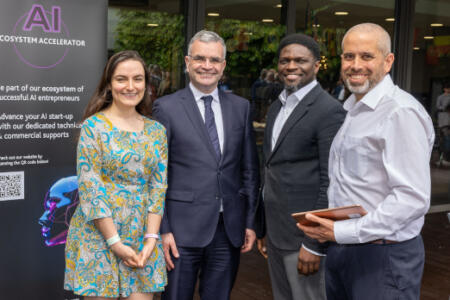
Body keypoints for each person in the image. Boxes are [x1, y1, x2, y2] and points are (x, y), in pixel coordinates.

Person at [297, 23, 435, 300]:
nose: (355, 64)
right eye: (349, 56)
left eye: (366, 56)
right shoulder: (353, 109)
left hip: (383, 257)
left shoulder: (400, 112)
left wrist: (344, 231)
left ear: (388, 61)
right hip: (346, 248)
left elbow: (411, 199)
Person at [152, 30, 260, 300]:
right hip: (180, 232)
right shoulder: (165, 108)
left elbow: (249, 170)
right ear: (187, 63)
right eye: (200, 58)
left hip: (228, 230)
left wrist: (249, 221)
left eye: (214, 60)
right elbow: (156, 175)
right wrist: (162, 229)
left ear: (223, 66)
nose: (207, 66)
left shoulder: (241, 107)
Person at [64, 50, 168, 300]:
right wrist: (115, 242)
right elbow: (91, 189)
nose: (130, 86)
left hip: (142, 234)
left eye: (138, 79)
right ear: (109, 84)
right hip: (99, 235)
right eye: (122, 79)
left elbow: (158, 187)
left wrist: (151, 239)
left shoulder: (157, 131)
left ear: (146, 83)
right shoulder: (93, 127)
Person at [256, 33, 346, 300]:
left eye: (300, 60)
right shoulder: (276, 107)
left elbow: (330, 181)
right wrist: (263, 227)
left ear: (316, 65)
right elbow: (271, 170)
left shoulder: (329, 110)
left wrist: (314, 244)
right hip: (276, 232)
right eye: (285, 60)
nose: (291, 66)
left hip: (304, 237)